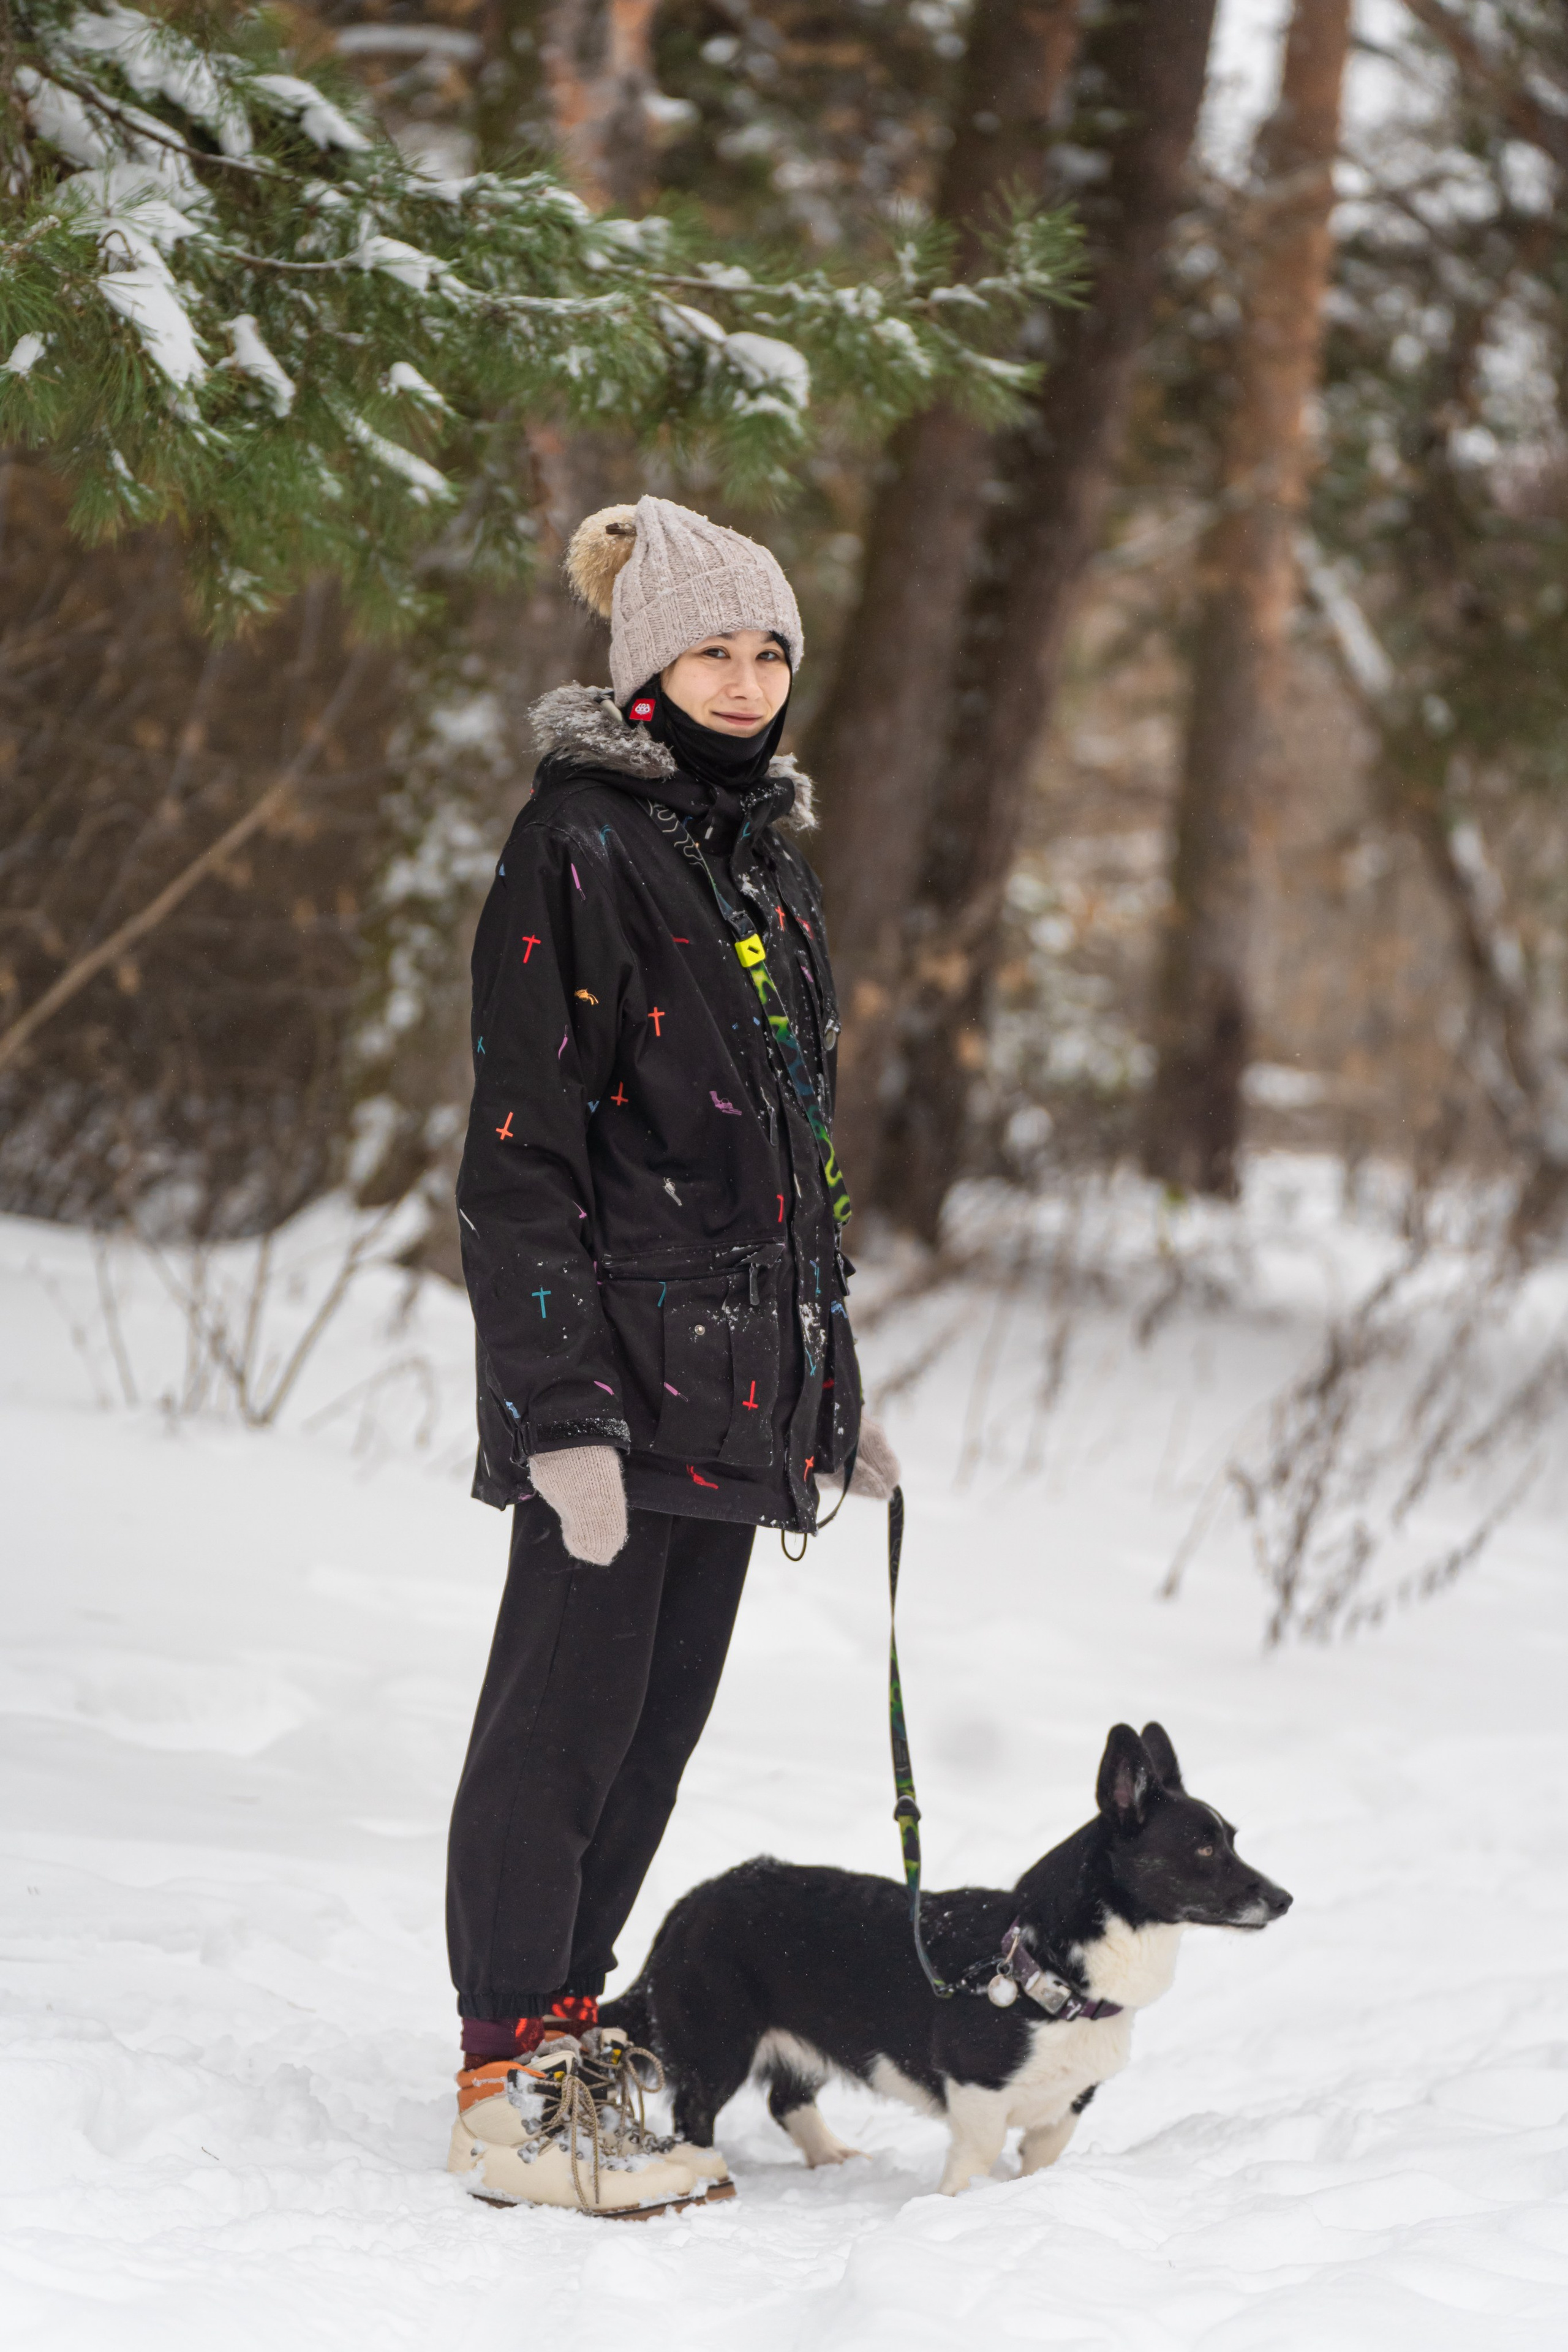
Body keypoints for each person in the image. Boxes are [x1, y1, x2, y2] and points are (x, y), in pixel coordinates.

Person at [444, 495, 900, 2215]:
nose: (742, 675)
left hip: (733, 1390)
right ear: (644, 667)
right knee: (557, 1731)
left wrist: (830, 1381)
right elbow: (521, 1155)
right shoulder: (578, 842)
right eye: (711, 646)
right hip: (611, 1390)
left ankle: (576, 2035)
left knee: (652, 1737)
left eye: (768, 648)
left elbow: (797, 1162)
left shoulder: (762, 854)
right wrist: (554, 1410)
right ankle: (504, 2068)